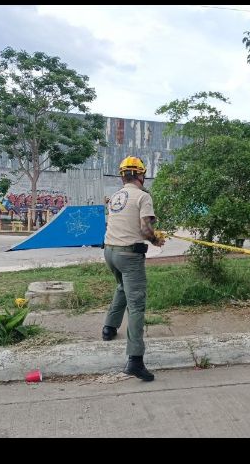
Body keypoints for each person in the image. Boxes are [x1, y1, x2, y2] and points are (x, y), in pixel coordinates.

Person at [102, 156, 165, 382]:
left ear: (122, 176)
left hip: (110, 252)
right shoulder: (143, 196)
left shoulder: (116, 196)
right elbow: (145, 229)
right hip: (129, 255)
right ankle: (135, 360)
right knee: (136, 305)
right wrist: (156, 240)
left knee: (121, 287)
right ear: (141, 175)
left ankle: (109, 327)